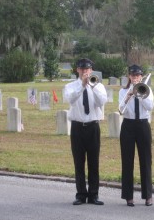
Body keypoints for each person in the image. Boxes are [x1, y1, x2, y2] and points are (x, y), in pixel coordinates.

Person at [64, 58, 107, 205]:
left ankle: (93, 195)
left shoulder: (98, 85)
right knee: (79, 162)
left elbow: (102, 102)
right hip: (77, 127)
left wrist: (92, 86)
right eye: (82, 69)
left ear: (91, 70)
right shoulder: (70, 86)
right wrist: (82, 86)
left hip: (93, 127)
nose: (85, 72)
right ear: (78, 70)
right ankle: (81, 195)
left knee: (94, 163)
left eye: (87, 69)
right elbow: (70, 99)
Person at [118, 64, 154, 207]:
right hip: (128, 125)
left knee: (146, 160)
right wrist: (128, 96)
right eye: (133, 75)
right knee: (127, 161)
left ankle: (148, 196)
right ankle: (128, 196)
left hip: (143, 125)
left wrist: (140, 95)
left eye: (138, 75)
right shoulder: (123, 91)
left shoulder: (147, 90)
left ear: (141, 77)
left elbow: (150, 107)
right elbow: (120, 109)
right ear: (129, 76)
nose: (135, 78)